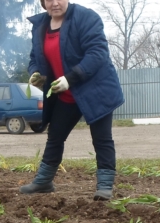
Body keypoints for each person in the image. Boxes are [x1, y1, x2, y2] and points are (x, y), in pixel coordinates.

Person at [22, 0, 124, 200]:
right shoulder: (40, 25)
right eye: (48, 0)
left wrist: (71, 78)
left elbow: (97, 53)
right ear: (43, 3)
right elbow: (35, 57)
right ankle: (44, 181)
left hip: (95, 90)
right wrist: (35, 73)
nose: (55, 3)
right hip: (66, 93)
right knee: (55, 135)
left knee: (101, 138)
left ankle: (104, 186)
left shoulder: (86, 18)